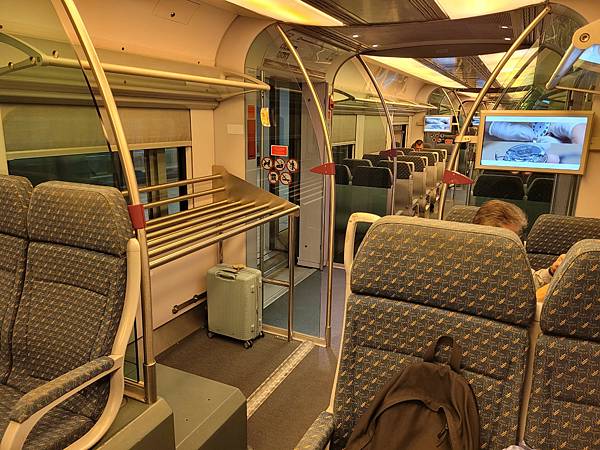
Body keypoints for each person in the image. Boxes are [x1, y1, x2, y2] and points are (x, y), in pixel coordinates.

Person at [472, 200, 565, 290]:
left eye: (516, 238)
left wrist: (551, 271)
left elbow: (531, 282)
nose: (513, 245)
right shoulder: (467, 261)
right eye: (508, 240)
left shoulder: (512, 260)